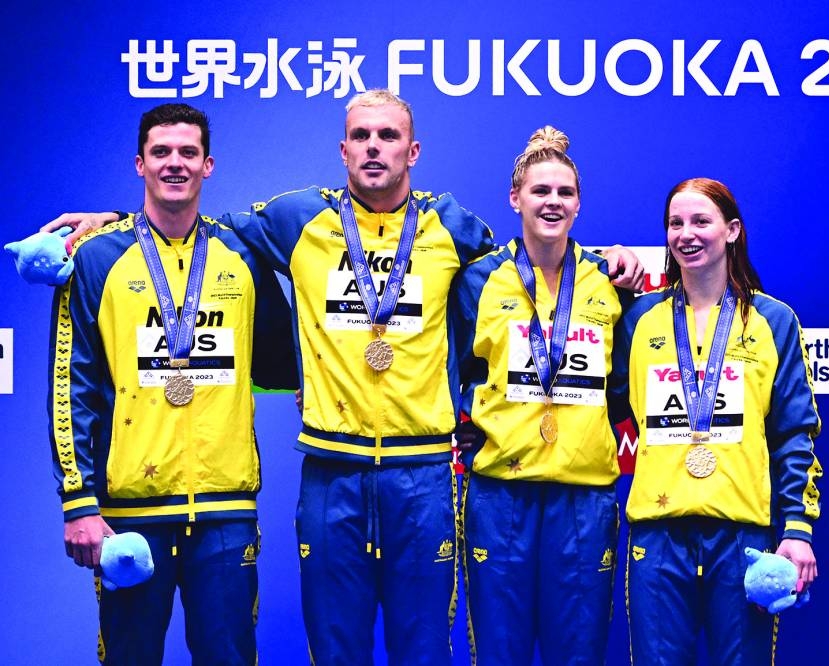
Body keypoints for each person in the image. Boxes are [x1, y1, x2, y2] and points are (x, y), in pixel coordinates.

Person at [45, 90, 644, 665]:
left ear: (413, 152)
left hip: (424, 475)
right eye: (361, 135)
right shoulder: (300, 217)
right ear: (343, 150)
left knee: (425, 651)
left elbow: (531, 263)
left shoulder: (452, 226)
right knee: (335, 650)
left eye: (389, 135)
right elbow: (189, 226)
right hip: (332, 473)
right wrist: (116, 221)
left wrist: (604, 261)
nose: (374, 147)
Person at [50, 103, 296, 664]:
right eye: (161, 152)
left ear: (208, 165)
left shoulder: (244, 256)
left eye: (188, 152)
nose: (175, 163)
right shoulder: (94, 258)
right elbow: (71, 386)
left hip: (226, 513)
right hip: (130, 518)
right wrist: (78, 500)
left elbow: (285, 365)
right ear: (140, 163)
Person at [613, 177, 823, 665]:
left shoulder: (773, 321)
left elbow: (795, 434)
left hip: (743, 535)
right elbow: (600, 408)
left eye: (701, 221)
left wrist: (796, 528)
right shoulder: (640, 319)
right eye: (675, 223)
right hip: (658, 535)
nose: (686, 234)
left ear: (731, 231)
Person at [450, 126, 632, 665]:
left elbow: (623, 389)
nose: (553, 202)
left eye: (564, 193)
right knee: (500, 652)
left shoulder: (607, 280)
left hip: (584, 499)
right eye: (540, 191)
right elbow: (449, 373)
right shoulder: (477, 280)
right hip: (500, 496)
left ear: (578, 203)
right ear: (515, 199)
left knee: (578, 653)